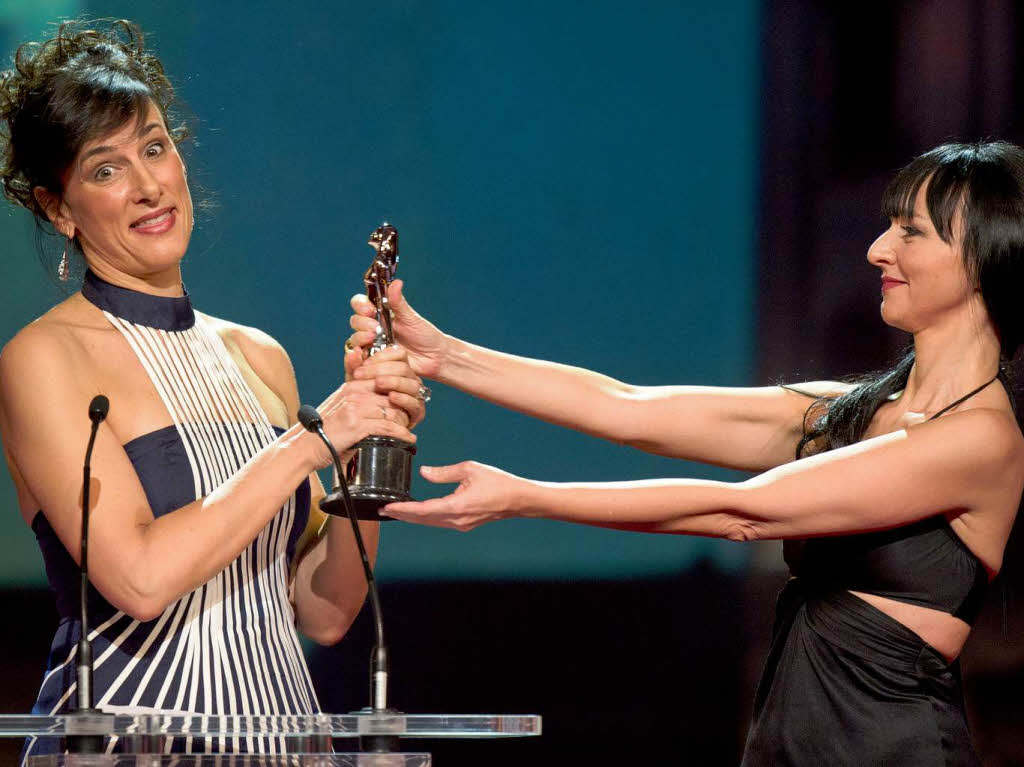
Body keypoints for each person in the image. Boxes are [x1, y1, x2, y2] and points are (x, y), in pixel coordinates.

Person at [347, 141, 1024, 765]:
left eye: (912, 231)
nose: (878, 249)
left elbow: (745, 512)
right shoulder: (853, 410)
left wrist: (526, 496)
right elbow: (629, 408)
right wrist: (444, 354)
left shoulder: (981, 439)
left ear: (988, 254)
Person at [0, 20, 425, 759]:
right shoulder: (43, 359)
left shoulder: (259, 357)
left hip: (284, 743)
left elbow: (321, 613)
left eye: (156, 148)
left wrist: (362, 452)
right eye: (105, 170)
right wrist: (307, 441)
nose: (147, 185)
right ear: (57, 207)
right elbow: (139, 579)